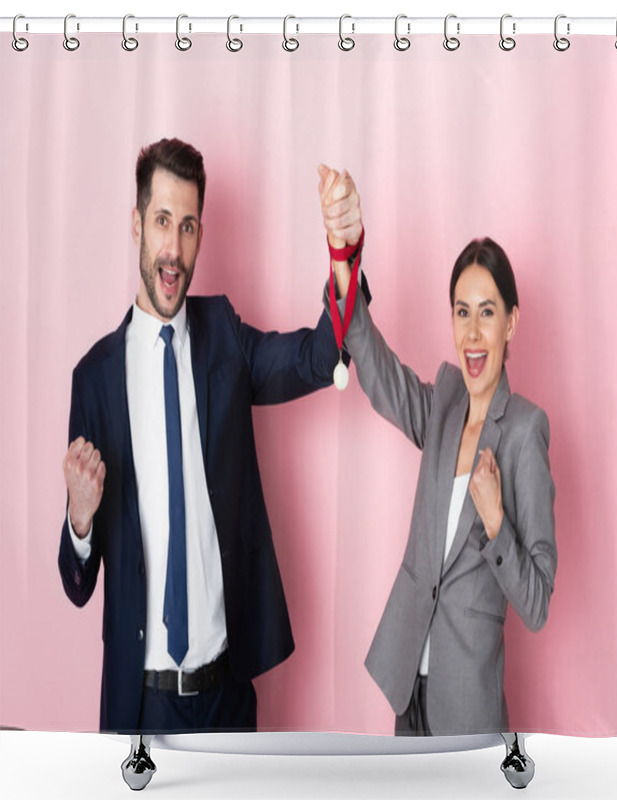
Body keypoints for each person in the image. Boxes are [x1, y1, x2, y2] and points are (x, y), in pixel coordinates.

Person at [58, 139, 364, 734]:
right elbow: (77, 585)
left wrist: (343, 252)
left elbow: (318, 354)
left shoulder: (224, 335)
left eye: (189, 226)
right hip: (141, 706)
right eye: (162, 222)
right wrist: (80, 517)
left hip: (227, 698)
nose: (173, 249)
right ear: (136, 225)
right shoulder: (94, 379)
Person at [319, 166, 556, 735]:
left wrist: (497, 521)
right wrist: (343, 256)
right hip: (409, 686)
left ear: (512, 323)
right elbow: (375, 367)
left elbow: (539, 603)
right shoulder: (444, 406)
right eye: (461, 311)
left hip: (466, 701)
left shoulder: (525, 431)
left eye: (488, 312)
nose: (472, 333)